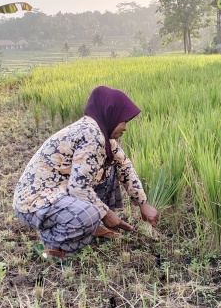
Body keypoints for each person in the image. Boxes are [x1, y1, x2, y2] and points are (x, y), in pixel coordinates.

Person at [12, 85, 159, 260]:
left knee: (110, 170)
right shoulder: (91, 134)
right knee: (90, 214)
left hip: (55, 194)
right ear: (110, 113)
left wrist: (143, 203)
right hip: (35, 203)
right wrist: (105, 214)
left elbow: (124, 166)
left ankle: (89, 228)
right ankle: (54, 248)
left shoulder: (102, 137)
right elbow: (78, 188)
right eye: (124, 120)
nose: (125, 127)